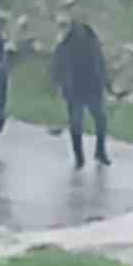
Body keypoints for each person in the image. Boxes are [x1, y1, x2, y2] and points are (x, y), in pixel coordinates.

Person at [50, 20, 111, 168]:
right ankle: (82, 156)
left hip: (91, 87)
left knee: (98, 120)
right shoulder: (66, 45)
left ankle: (97, 152)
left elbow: (100, 64)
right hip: (76, 90)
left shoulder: (90, 43)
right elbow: (57, 66)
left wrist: (106, 83)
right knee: (79, 122)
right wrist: (60, 84)